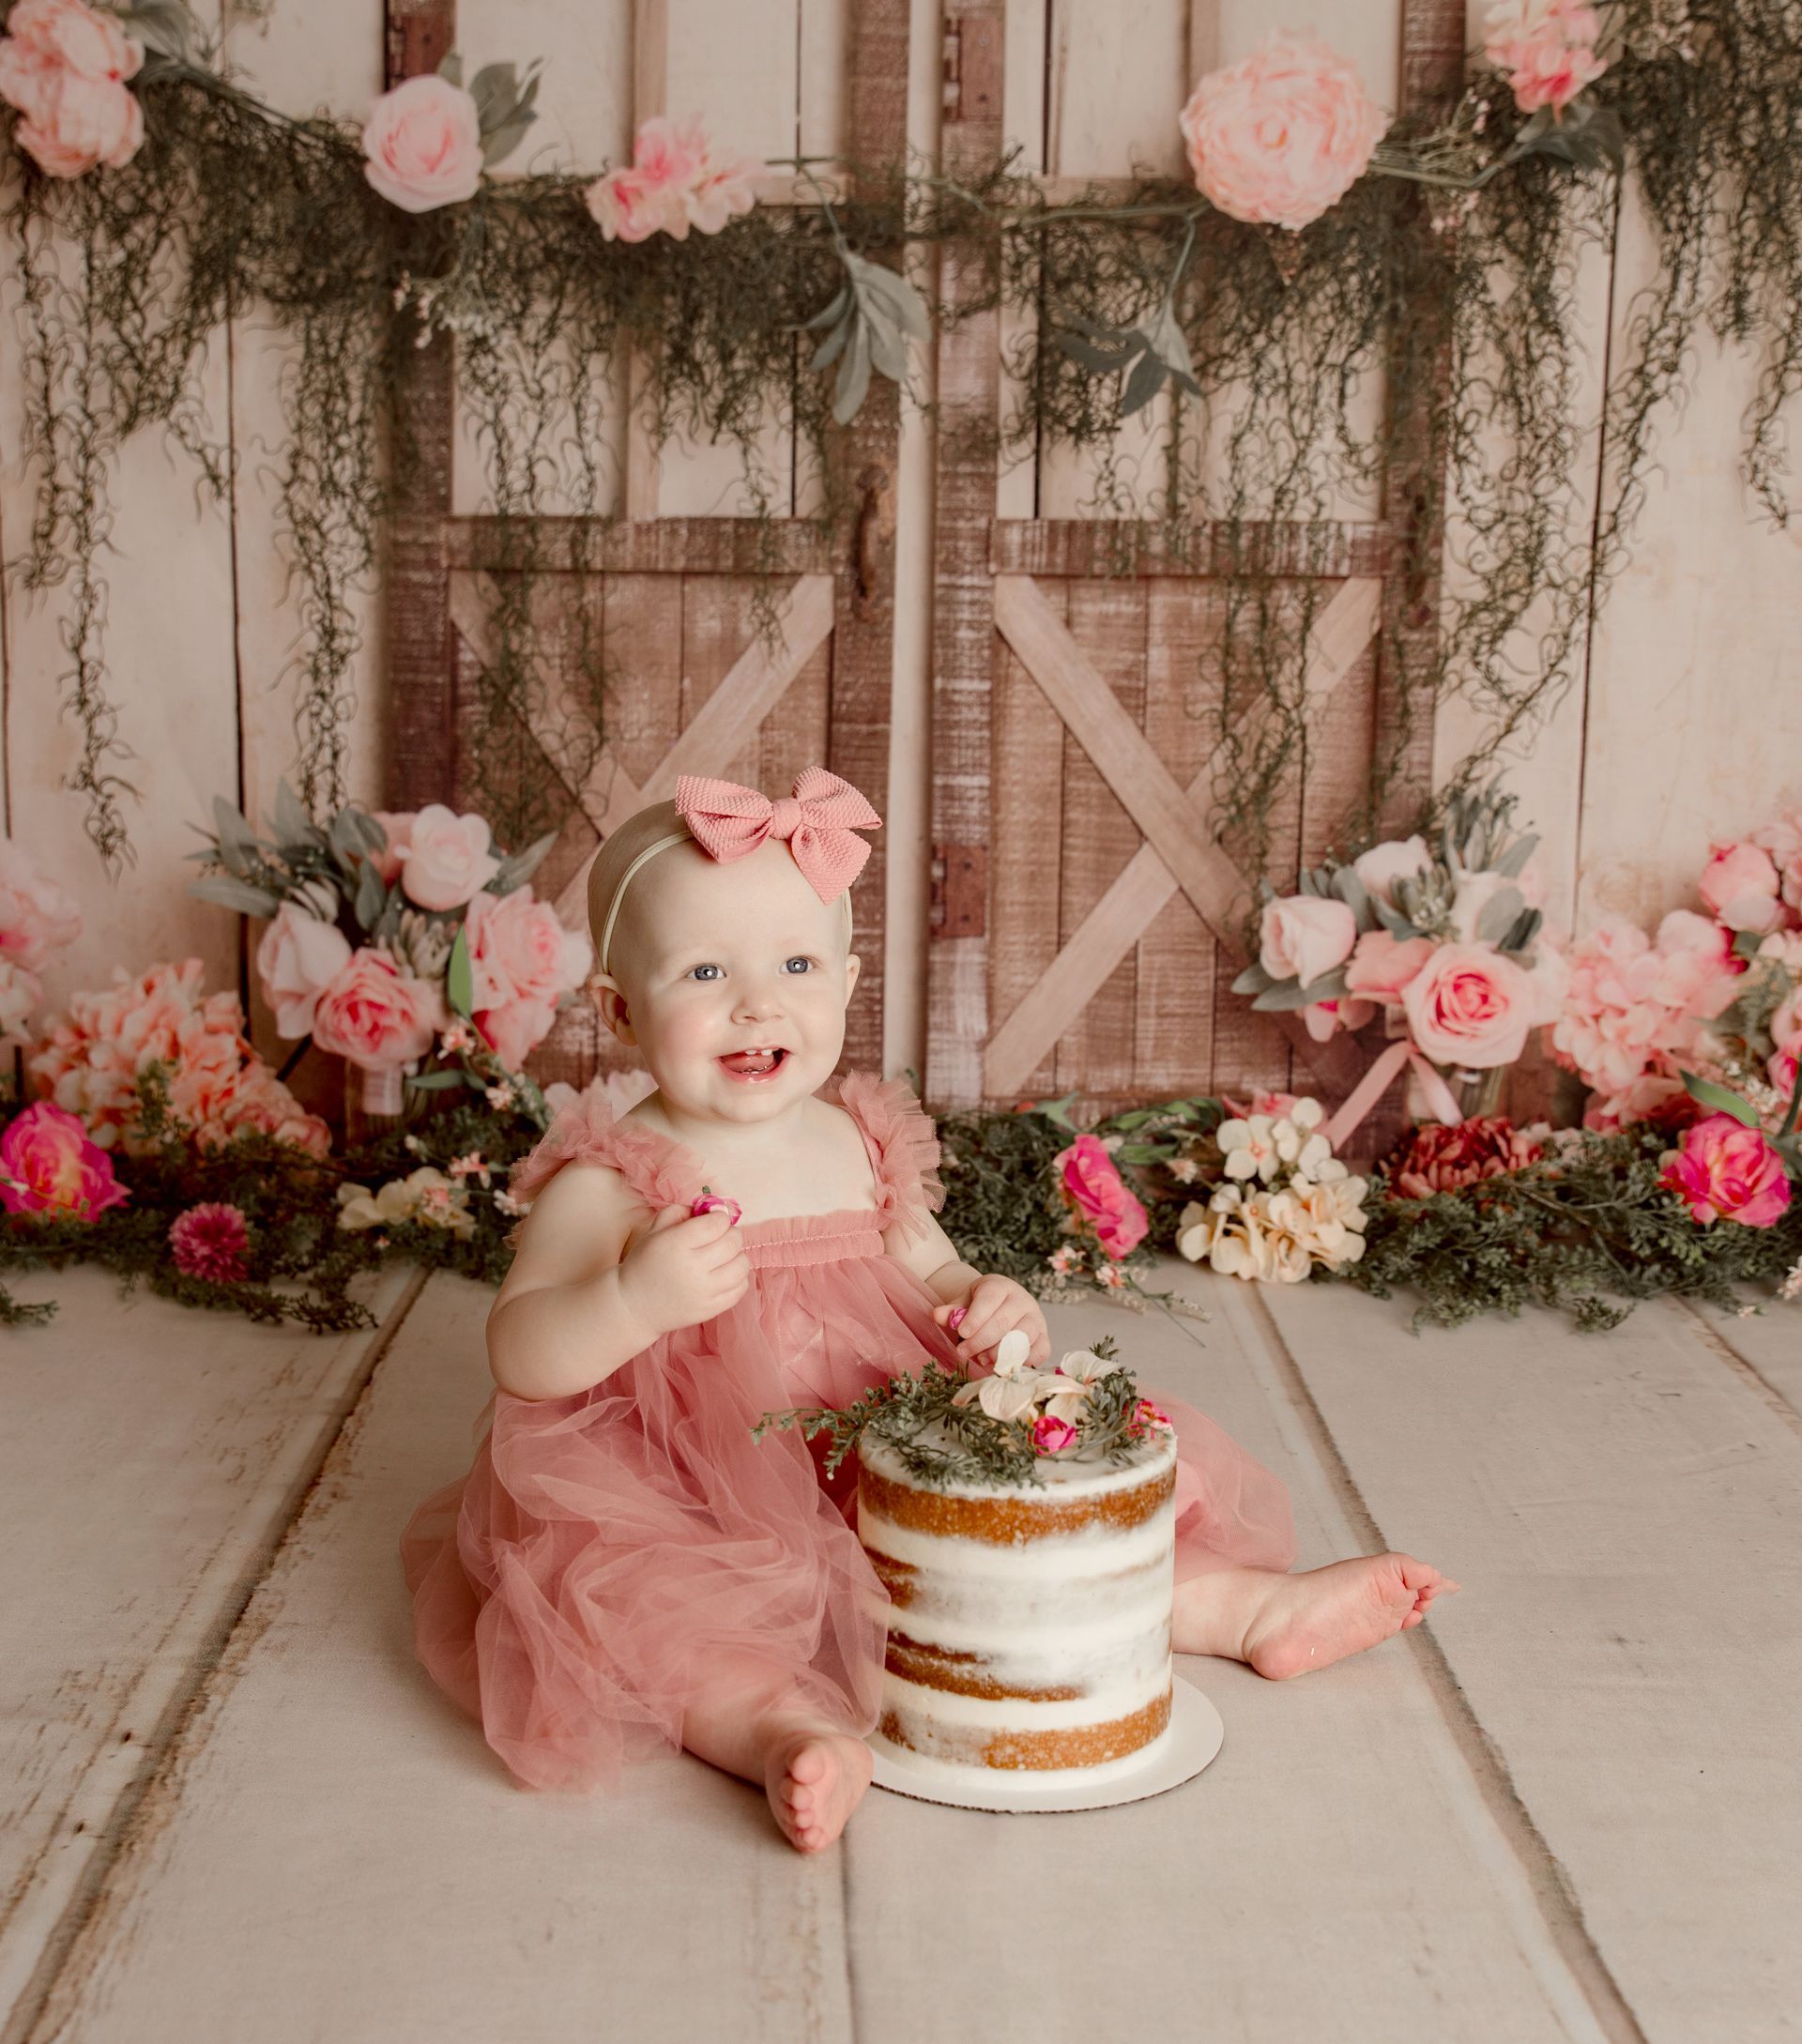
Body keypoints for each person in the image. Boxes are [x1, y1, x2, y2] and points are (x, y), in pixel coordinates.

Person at [400, 765, 1457, 1852]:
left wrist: (982, 1304)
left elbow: (935, 1275)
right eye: (706, 970)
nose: (757, 1004)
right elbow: (522, 1351)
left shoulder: (858, 1140)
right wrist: (634, 1296)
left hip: (888, 1442)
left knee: (1028, 1534)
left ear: (849, 986)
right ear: (622, 1010)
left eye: (795, 965)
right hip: (690, 1486)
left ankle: (1247, 1612)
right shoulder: (611, 1176)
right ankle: (779, 1731)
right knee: (646, 1604)